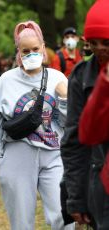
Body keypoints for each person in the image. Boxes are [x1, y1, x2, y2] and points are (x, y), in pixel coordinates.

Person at [0, 20, 75, 230]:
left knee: (63, 217)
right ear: (18, 52)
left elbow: (70, 122)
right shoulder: (6, 81)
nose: (31, 54)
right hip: (18, 154)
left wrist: (64, 99)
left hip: (54, 154)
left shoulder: (57, 78)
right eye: (26, 50)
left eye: (36, 49)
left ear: (43, 48)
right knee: (22, 222)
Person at [61, 0, 109, 229]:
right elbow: (74, 141)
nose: (100, 49)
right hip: (100, 181)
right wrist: (76, 198)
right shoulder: (81, 77)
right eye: (93, 43)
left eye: (106, 42)